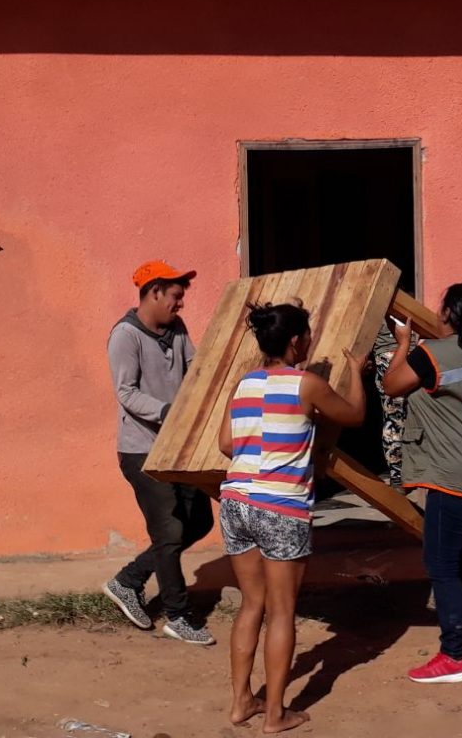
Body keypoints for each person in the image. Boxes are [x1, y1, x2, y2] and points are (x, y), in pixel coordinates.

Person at [217, 302, 366, 733]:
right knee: (282, 612)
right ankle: (276, 714)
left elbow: (227, 443)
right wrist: (356, 371)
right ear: (296, 341)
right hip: (281, 505)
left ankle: (242, 703)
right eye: (308, 335)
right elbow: (354, 415)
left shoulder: (244, 384)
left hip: (236, 500)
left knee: (252, 604)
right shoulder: (307, 384)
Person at [383, 283, 462, 684]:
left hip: (457, 478)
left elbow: (391, 386)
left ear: (447, 314)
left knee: (440, 564)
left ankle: (454, 656)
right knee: (458, 554)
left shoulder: (432, 354)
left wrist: (403, 344)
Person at [103, 260, 215, 645]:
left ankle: (128, 581)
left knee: (198, 522)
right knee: (169, 530)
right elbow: (126, 392)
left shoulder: (176, 329)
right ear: (154, 292)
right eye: (175, 296)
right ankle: (178, 614)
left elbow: (195, 367)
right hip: (142, 452)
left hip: (176, 448)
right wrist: (168, 412)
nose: (180, 303)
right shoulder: (125, 335)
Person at [371, 319, 418, 487]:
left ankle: (403, 472)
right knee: (395, 416)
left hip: (412, 350)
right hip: (390, 351)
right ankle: (398, 474)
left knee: (402, 415)